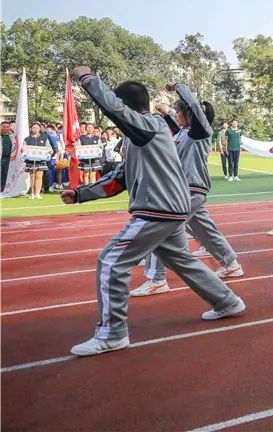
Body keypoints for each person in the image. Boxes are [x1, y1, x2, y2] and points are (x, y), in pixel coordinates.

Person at [61, 67, 246, 357]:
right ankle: (227, 301)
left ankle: (112, 333)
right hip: (167, 208)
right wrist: (82, 194)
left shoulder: (152, 126)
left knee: (111, 262)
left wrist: (89, 80)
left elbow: (114, 109)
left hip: (157, 209)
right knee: (182, 260)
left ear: (127, 106)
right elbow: (120, 178)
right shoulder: (141, 138)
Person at [136, 84, 246, 296]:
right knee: (203, 228)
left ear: (190, 115)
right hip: (185, 191)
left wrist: (179, 88)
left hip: (190, 189)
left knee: (161, 228)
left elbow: (194, 107)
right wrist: (165, 112)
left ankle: (157, 279)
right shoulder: (184, 133)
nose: (176, 115)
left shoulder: (200, 132)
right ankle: (230, 263)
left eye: (179, 112)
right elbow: (176, 128)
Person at [24, 122, 54, 199]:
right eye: (33, 127)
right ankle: (32, 193)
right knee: (32, 177)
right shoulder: (27, 139)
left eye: (37, 128)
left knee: (39, 177)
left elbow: (49, 148)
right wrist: (22, 149)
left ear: (39, 129)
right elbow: (23, 149)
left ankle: (37, 193)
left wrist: (51, 151)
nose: (35, 129)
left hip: (41, 161)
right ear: (31, 128)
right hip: (30, 161)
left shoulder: (44, 138)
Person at [1, 121, 12, 190]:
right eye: (3, 127)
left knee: (6, 174)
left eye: (7, 127)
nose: (5, 128)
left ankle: (3, 188)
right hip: (1, 157)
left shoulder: (12, 137)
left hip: (8, 159)